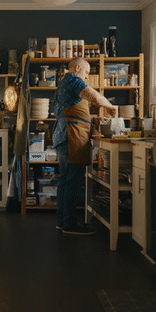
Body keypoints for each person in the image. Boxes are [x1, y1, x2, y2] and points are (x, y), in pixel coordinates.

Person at [52, 57, 117, 235]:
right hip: (71, 136)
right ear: (77, 67)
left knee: (65, 181)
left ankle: (62, 221)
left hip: (64, 135)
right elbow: (93, 96)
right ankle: (70, 224)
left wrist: (95, 119)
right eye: (87, 73)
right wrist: (110, 106)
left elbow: (72, 111)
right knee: (72, 182)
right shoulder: (73, 79)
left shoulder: (64, 83)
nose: (87, 78)